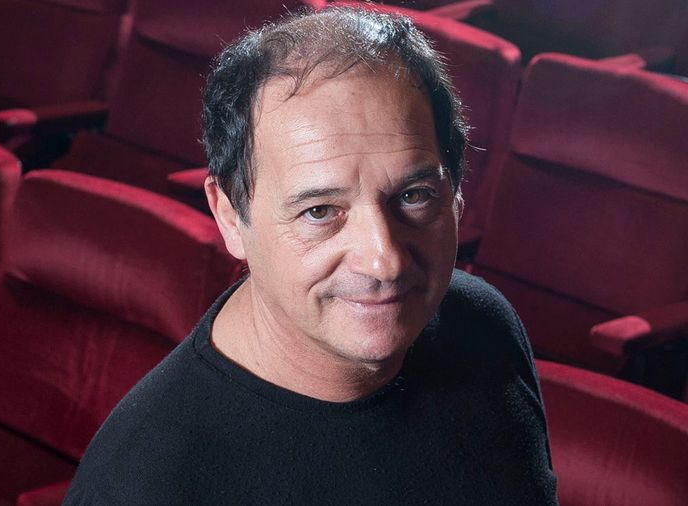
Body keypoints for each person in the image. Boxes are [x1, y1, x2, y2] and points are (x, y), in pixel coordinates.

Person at [64, 7, 558, 505]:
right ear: (230, 216)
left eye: (413, 196)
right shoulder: (141, 486)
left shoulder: (483, 323)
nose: (384, 261)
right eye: (320, 211)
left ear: (456, 194)